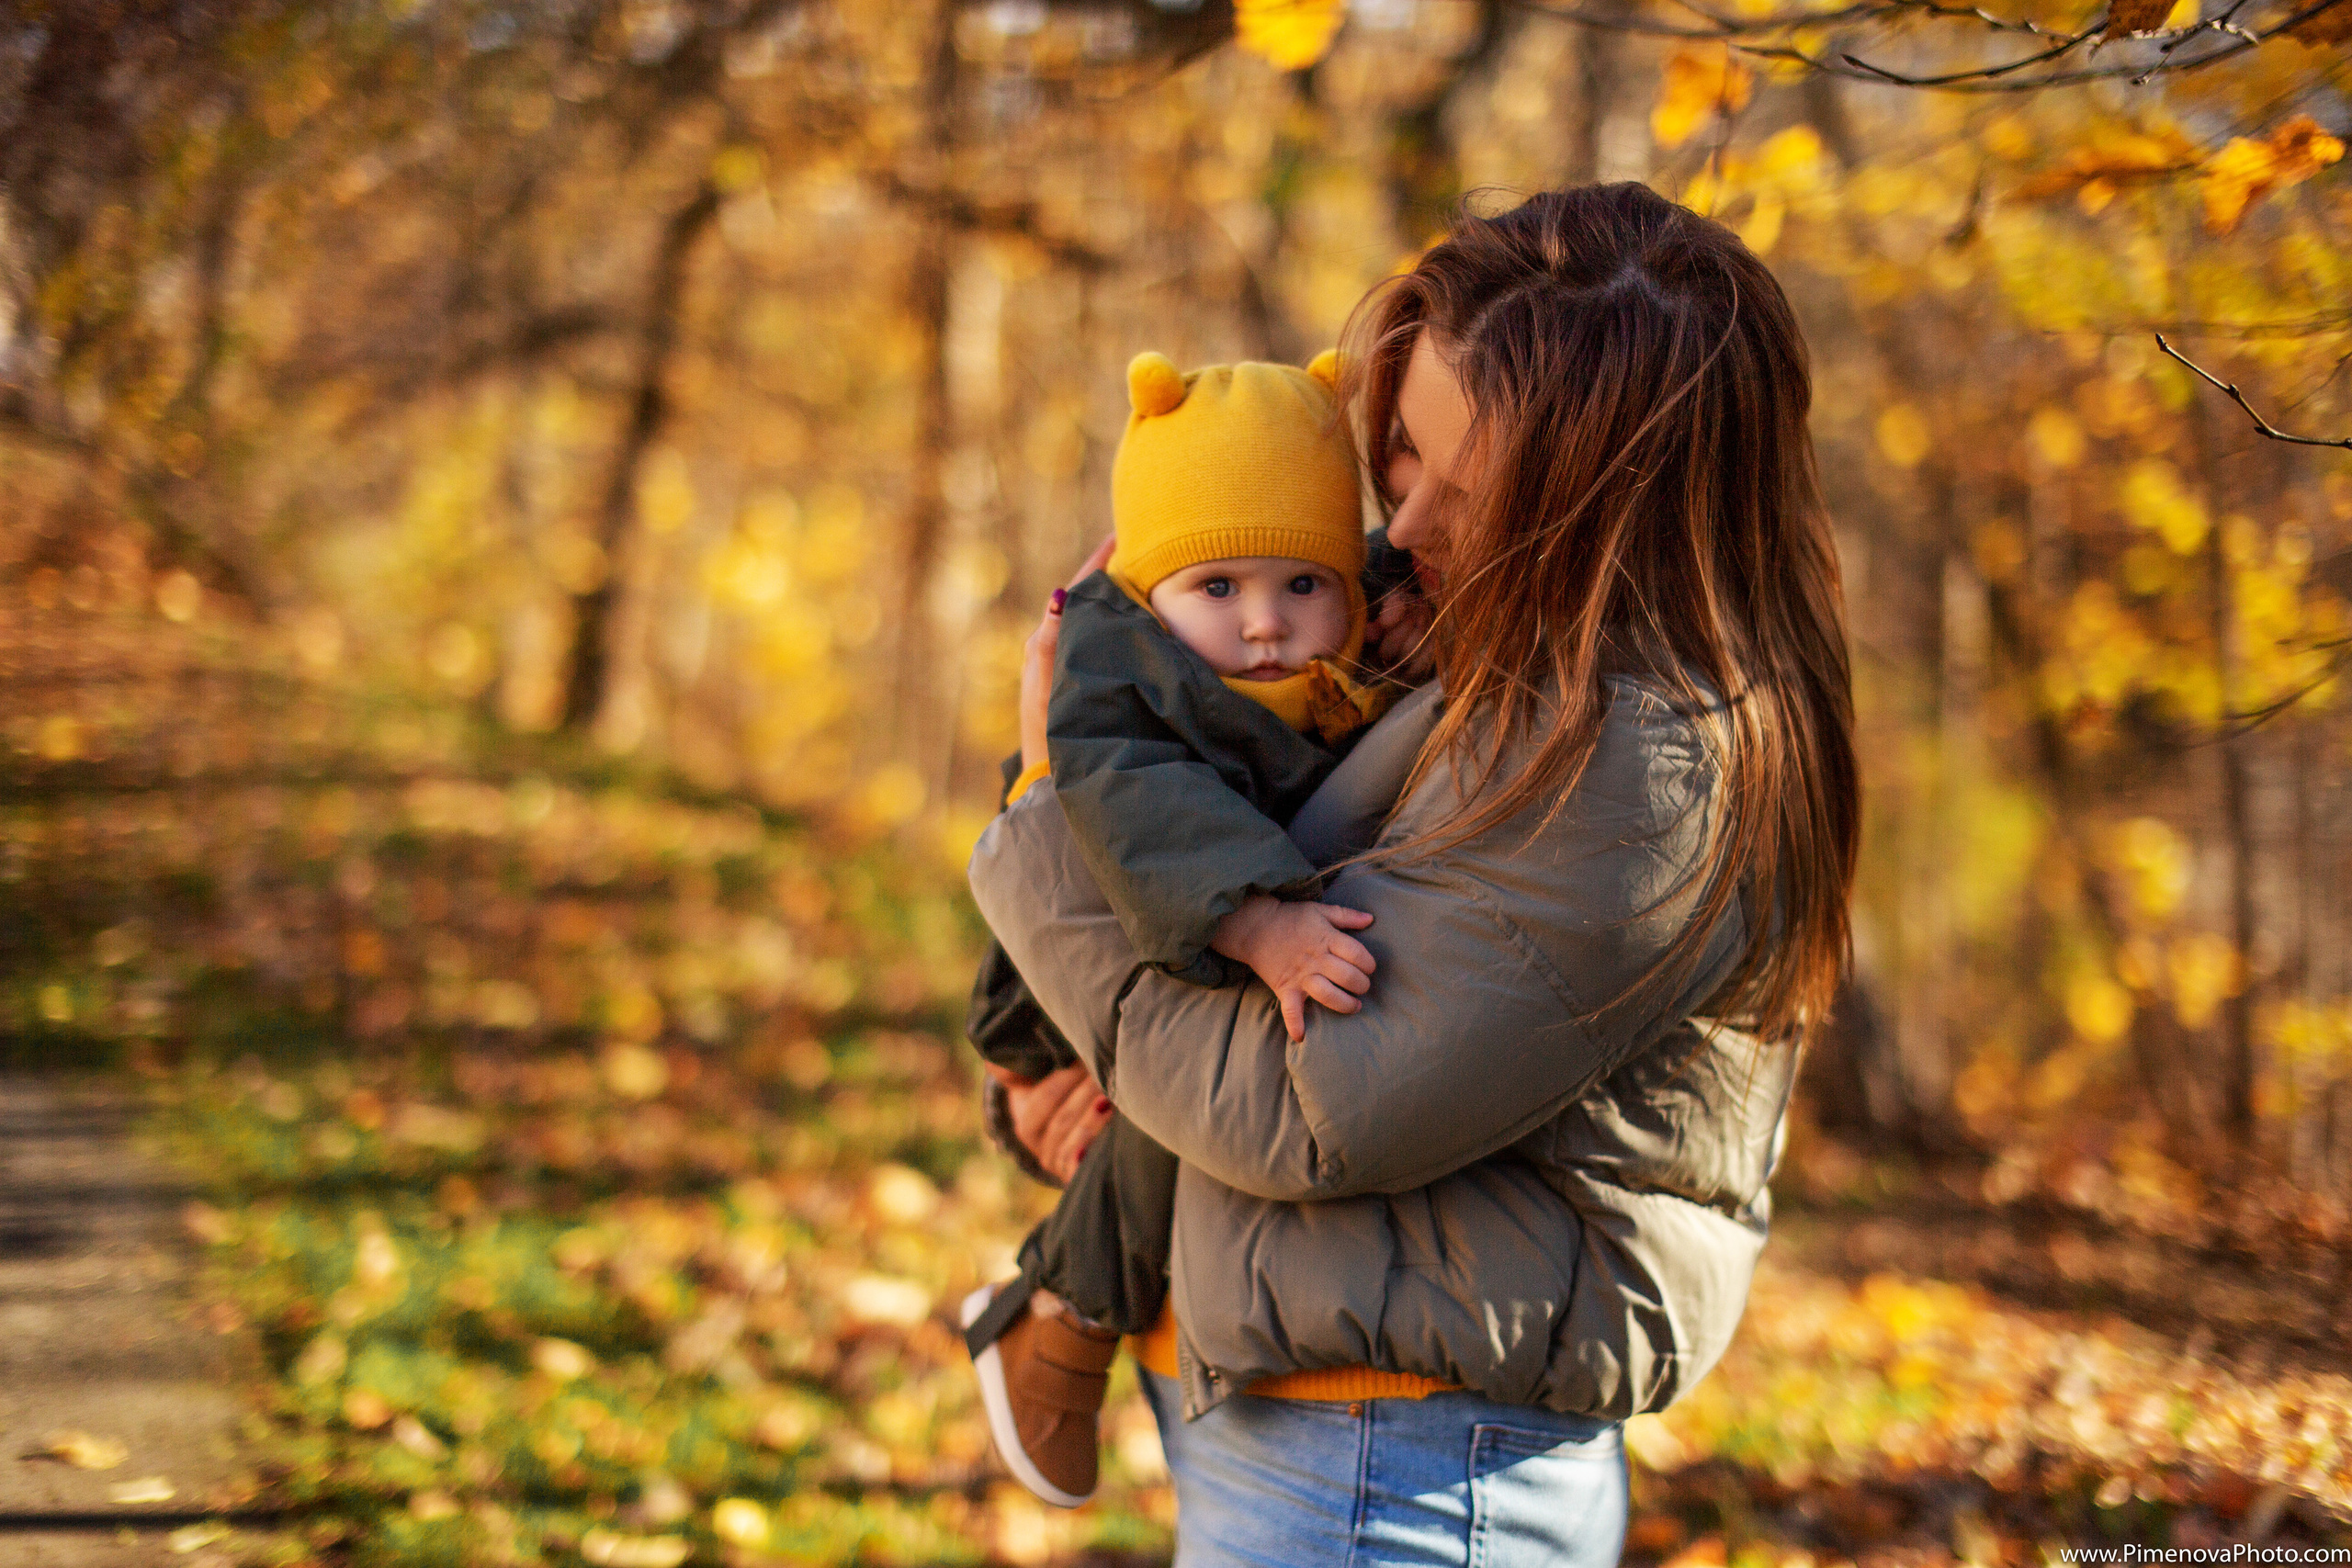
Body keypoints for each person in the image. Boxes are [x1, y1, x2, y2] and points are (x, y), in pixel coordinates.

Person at [968, 182, 1860, 1567]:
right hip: (1310, 1419)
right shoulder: (1465, 634)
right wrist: (1055, 1065)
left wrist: (1047, 809)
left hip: (1395, 1469)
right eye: (1400, 456)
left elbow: (1303, 1108)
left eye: (1474, 492)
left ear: (1608, 516)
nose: (1406, 526)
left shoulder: (1641, 762)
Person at [960, 347, 1419, 1508]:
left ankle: (1055, 1319)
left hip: (1160, 968)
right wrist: (1259, 926)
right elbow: (1141, 809)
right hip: (1064, 967)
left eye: (1302, 585)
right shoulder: (1122, 670)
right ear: (1150, 588)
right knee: (1175, 1108)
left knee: (1184, 1106)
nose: (1264, 624)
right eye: (1217, 588)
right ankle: (1064, 1309)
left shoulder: (1347, 645)